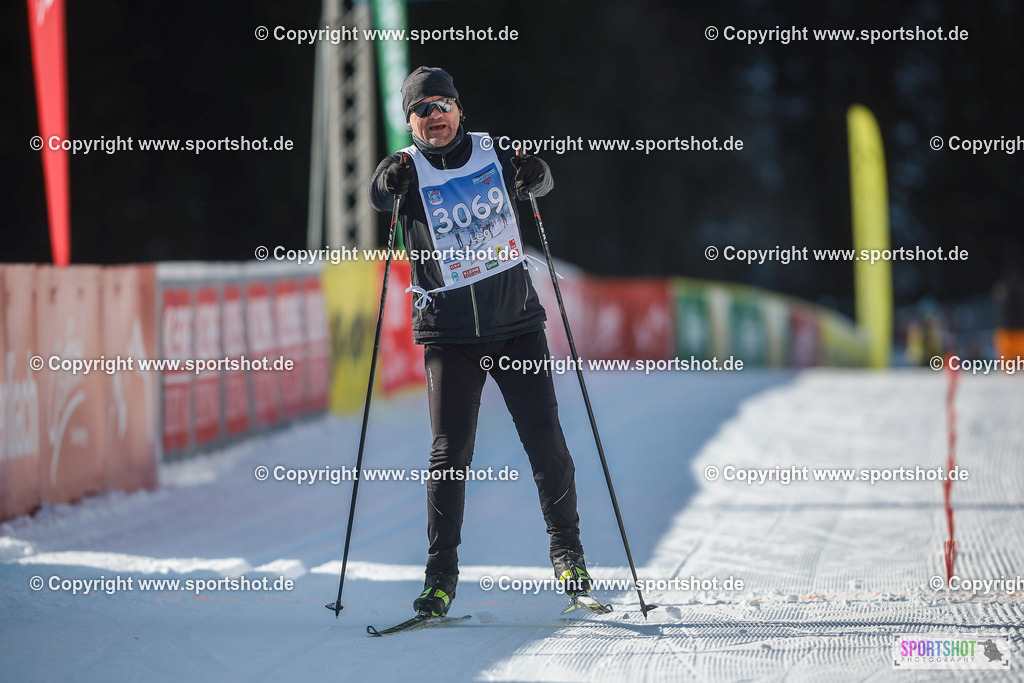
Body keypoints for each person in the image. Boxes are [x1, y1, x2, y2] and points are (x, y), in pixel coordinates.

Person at [368, 66, 592, 616]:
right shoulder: (404, 167)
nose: (434, 115)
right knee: (449, 455)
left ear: (460, 110)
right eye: (422, 109)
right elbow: (378, 195)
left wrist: (538, 176)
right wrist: (387, 186)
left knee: (547, 443)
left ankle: (570, 558)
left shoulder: (497, 151)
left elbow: (538, 179)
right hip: (450, 335)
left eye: (442, 104)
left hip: (515, 326)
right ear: (410, 121)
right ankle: (440, 577)